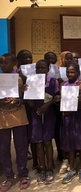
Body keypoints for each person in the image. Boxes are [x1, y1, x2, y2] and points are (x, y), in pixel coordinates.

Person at [25, 59, 59, 185]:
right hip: (36, 114)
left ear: (48, 69)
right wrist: (26, 93)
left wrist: (47, 105)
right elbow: (31, 103)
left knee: (48, 141)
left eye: (43, 68)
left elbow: (56, 98)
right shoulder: (31, 82)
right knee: (38, 143)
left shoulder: (53, 82)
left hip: (49, 113)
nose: (40, 70)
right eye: (38, 68)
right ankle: (42, 168)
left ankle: (50, 168)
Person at [0, 53, 30, 190]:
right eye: (0, 63)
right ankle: (9, 176)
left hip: (19, 117)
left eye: (4, 62)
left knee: (21, 147)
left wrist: (19, 100)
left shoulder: (22, 78)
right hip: (2, 119)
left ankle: (23, 174)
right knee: (4, 148)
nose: (2, 65)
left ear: (13, 63)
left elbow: (29, 98)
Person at [56, 62, 81, 184]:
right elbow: (62, 100)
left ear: (78, 73)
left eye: (73, 72)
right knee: (69, 143)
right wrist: (58, 99)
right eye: (68, 72)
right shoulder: (63, 85)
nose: (70, 74)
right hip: (66, 117)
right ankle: (72, 168)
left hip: (78, 117)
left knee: (80, 142)